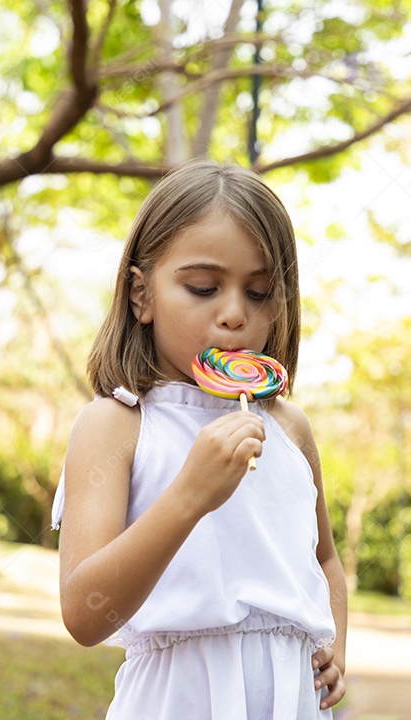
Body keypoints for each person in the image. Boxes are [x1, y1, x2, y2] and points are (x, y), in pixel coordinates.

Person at [52, 158, 347, 719]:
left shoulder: (288, 428)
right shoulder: (117, 424)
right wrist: (188, 495)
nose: (234, 314)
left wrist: (337, 646)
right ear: (141, 295)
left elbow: (326, 560)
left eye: (260, 293)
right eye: (203, 287)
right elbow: (84, 614)